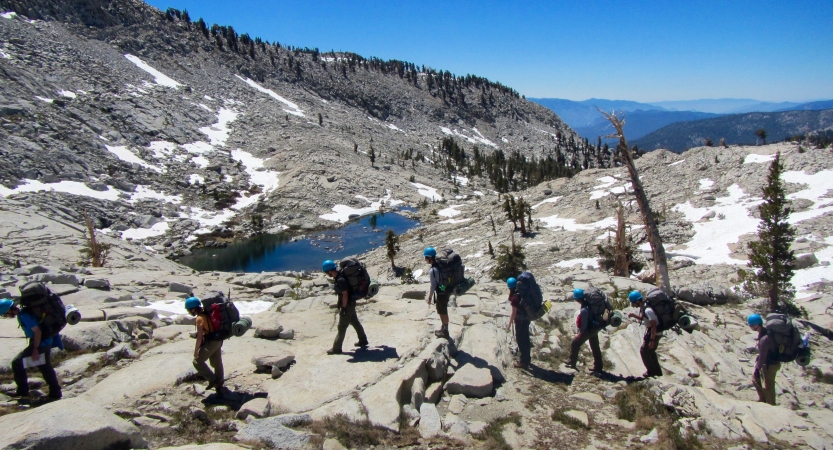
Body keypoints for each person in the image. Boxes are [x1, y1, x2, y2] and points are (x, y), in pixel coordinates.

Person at [0, 298, 62, 402]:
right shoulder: (23, 313)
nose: (5, 316)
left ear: (8, 310)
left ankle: (23, 391)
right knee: (45, 367)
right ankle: (55, 392)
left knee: (17, 363)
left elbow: (37, 332)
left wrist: (35, 350)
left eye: (4, 314)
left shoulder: (24, 315)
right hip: (46, 341)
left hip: (41, 343)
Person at [323, 259, 368, 355]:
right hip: (351, 303)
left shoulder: (340, 279)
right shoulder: (341, 275)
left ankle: (337, 348)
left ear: (330, 271)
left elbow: (345, 294)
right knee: (354, 321)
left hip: (347, 304)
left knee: (342, 326)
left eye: (327, 272)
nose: (327, 274)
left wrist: (343, 308)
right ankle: (363, 340)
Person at [187, 296, 225, 395]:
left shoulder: (200, 318)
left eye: (188, 310)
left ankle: (213, 379)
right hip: (218, 339)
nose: (188, 312)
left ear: (193, 309)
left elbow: (199, 337)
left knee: (197, 362)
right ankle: (219, 385)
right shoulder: (207, 312)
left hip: (210, 342)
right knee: (217, 362)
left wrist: (196, 352)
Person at [565, 288, 603, 372]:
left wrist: (580, 334)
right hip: (595, 327)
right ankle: (598, 367)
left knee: (575, 343)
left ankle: (572, 362)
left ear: (577, 299)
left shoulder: (584, 310)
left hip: (589, 330)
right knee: (595, 347)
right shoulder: (589, 304)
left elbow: (584, 325)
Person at [627, 290, 663, 378]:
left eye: (633, 303)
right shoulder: (644, 307)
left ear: (637, 301)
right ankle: (657, 371)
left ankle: (651, 371)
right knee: (651, 351)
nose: (632, 305)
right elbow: (644, 318)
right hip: (654, 332)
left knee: (644, 350)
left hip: (654, 333)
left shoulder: (648, 310)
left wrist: (651, 340)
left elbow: (654, 325)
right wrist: (634, 315)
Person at [748, 313, 780, 405]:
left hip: (771, 364)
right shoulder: (764, 333)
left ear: (756, 325)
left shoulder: (764, 338)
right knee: (755, 380)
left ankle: (771, 404)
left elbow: (763, 355)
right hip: (769, 363)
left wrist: (757, 368)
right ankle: (763, 399)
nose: (750, 327)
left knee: (768, 385)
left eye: (751, 325)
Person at [424, 247, 450, 339]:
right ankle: (443, 328)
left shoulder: (433, 270)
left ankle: (445, 331)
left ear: (430, 258)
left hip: (441, 292)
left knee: (443, 311)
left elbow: (433, 285)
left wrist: (430, 297)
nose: (425, 260)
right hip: (445, 289)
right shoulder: (440, 265)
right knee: (441, 310)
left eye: (426, 257)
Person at [505, 277, 531, 369]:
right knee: (526, 339)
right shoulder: (521, 293)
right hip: (526, 318)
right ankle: (527, 359)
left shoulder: (515, 298)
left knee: (521, 340)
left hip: (520, 321)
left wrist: (509, 325)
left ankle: (523, 361)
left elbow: (513, 313)